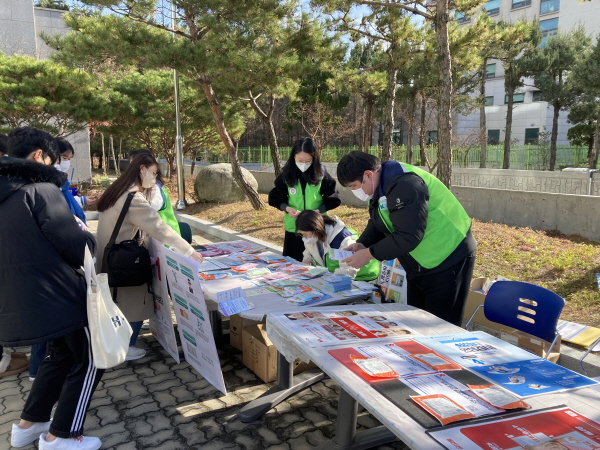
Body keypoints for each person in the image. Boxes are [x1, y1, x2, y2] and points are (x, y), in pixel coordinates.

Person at [2, 126, 103, 450]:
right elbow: (77, 248)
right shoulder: (41, 190)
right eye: (54, 159)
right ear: (38, 156)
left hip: (21, 298)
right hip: (60, 295)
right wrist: (86, 235)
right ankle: (62, 435)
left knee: (60, 355)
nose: (57, 165)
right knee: (92, 357)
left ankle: (29, 424)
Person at [337, 151, 476, 326]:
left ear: (368, 175)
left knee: (440, 326)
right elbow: (379, 222)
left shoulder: (405, 184)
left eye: (354, 186)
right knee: (418, 322)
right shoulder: (381, 186)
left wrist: (369, 254)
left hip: (449, 255)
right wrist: (362, 244)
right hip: (420, 262)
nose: (354, 191)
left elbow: (408, 235)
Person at [95, 152, 203, 361]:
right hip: (124, 261)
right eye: (153, 173)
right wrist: (188, 250)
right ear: (142, 169)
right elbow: (159, 226)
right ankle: (125, 347)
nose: (154, 178)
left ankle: (116, 343)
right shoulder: (132, 197)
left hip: (110, 256)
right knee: (135, 302)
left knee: (116, 302)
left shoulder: (118, 189)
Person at [268, 138, 340, 262]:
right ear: (294, 156)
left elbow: (333, 198)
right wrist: (287, 208)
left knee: (319, 263)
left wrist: (317, 212)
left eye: (308, 161)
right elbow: (275, 198)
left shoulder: (321, 174)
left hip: (316, 227)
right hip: (294, 229)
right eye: (300, 160)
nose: (304, 164)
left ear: (314, 158)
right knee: (292, 264)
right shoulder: (287, 174)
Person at [295, 210, 379, 281]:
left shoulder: (343, 239)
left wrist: (332, 281)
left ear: (316, 229)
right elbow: (308, 254)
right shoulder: (314, 237)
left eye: (305, 234)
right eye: (302, 235)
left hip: (362, 278)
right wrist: (306, 264)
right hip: (333, 276)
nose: (304, 238)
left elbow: (348, 270)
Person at [129, 149, 180, 235]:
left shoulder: (155, 186)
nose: (131, 169)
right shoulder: (143, 185)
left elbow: (148, 210)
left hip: (165, 235)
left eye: (134, 165)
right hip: (156, 234)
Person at [55, 137, 100, 220]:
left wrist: (77, 198)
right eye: (64, 158)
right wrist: (80, 200)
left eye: (69, 159)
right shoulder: (50, 181)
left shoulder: (61, 179)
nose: (67, 162)